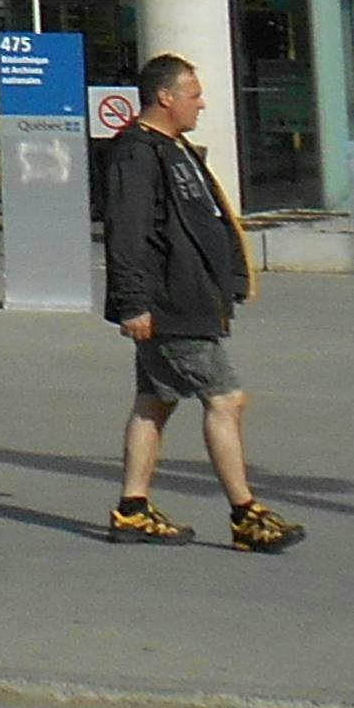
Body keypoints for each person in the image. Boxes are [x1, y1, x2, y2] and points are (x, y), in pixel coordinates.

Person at [98, 51, 298, 553]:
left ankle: (133, 509)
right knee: (226, 400)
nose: (202, 104)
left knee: (155, 401)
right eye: (193, 94)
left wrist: (229, 277)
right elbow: (126, 235)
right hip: (170, 305)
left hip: (191, 298)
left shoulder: (175, 148)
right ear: (165, 97)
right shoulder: (136, 155)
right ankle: (245, 513)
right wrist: (133, 304)